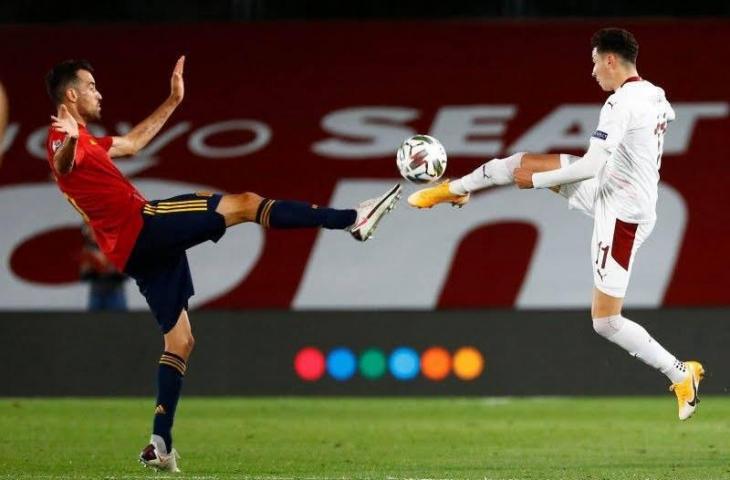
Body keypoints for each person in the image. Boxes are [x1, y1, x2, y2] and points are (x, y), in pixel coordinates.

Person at [45, 56, 401, 472]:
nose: (98, 92)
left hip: (133, 251)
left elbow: (135, 144)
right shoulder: (61, 138)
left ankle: (160, 443)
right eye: (90, 86)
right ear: (71, 94)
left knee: (180, 341)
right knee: (246, 204)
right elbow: (63, 164)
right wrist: (69, 139)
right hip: (142, 227)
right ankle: (352, 219)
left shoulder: (88, 140)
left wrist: (173, 100)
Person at [408, 28, 703, 420]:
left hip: (621, 217)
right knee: (516, 164)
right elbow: (657, 121)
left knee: (605, 321)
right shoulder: (654, 93)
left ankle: (681, 373)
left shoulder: (620, 104)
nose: (593, 71)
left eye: (595, 61)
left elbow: (590, 164)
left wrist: (539, 182)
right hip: (606, 187)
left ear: (611, 59)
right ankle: (455, 189)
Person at [80, 223, 128, 311]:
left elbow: (125, 273)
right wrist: (93, 271)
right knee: (94, 322)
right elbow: (83, 275)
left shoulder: (116, 248)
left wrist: (112, 272)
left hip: (115, 292)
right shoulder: (88, 250)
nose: (91, 235)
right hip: (97, 292)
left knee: (119, 321)